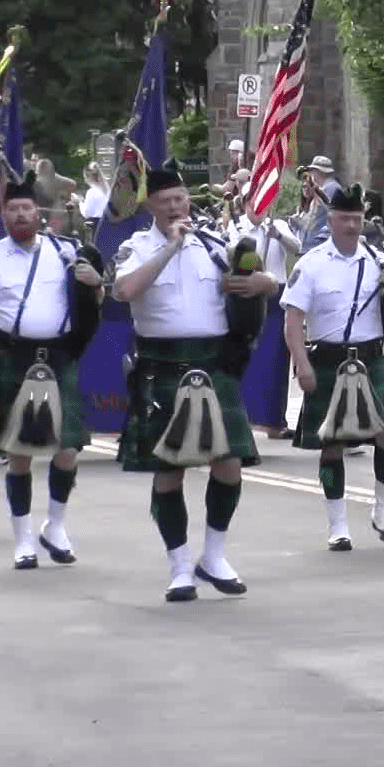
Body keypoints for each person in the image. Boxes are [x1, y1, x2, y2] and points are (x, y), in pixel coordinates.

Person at [112, 163, 275, 601]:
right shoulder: (136, 247)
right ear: (149, 206)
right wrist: (170, 247)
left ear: (189, 200)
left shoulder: (214, 245)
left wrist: (264, 282)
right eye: (165, 201)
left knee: (229, 463)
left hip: (212, 364)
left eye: (180, 199)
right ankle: (180, 566)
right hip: (161, 366)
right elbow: (125, 291)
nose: (174, 207)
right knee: (169, 470)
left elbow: (261, 283)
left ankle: (214, 555)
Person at [0, 171, 105, 569]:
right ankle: (22, 539)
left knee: (68, 449)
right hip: (13, 356)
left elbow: (92, 299)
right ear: (3, 215)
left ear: (38, 213)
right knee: (20, 453)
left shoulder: (64, 251)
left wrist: (96, 283)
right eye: (13, 209)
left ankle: (55, 526)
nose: (21, 214)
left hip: (57, 357)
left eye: (27, 208)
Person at [281, 182, 384, 550]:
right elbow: (293, 320)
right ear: (330, 221)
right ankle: (338, 525)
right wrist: (301, 365)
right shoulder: (311, 265)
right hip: (328, 358)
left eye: (357, 218)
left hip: (370, 358)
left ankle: (383, 510)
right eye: (344, 218)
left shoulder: (379, 260)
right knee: (332, 443)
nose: (351, 225)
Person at [232, 194, 300, 439]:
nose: (261, 208)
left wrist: (277, 235)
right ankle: (244, 419)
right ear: (246, 203)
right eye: (255, 202)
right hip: (248, 298)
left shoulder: (278, 225)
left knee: (276, 363)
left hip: (276, 300)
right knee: (247, 362)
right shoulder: (235, 226)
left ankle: (274, 421)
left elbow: (297, 248)